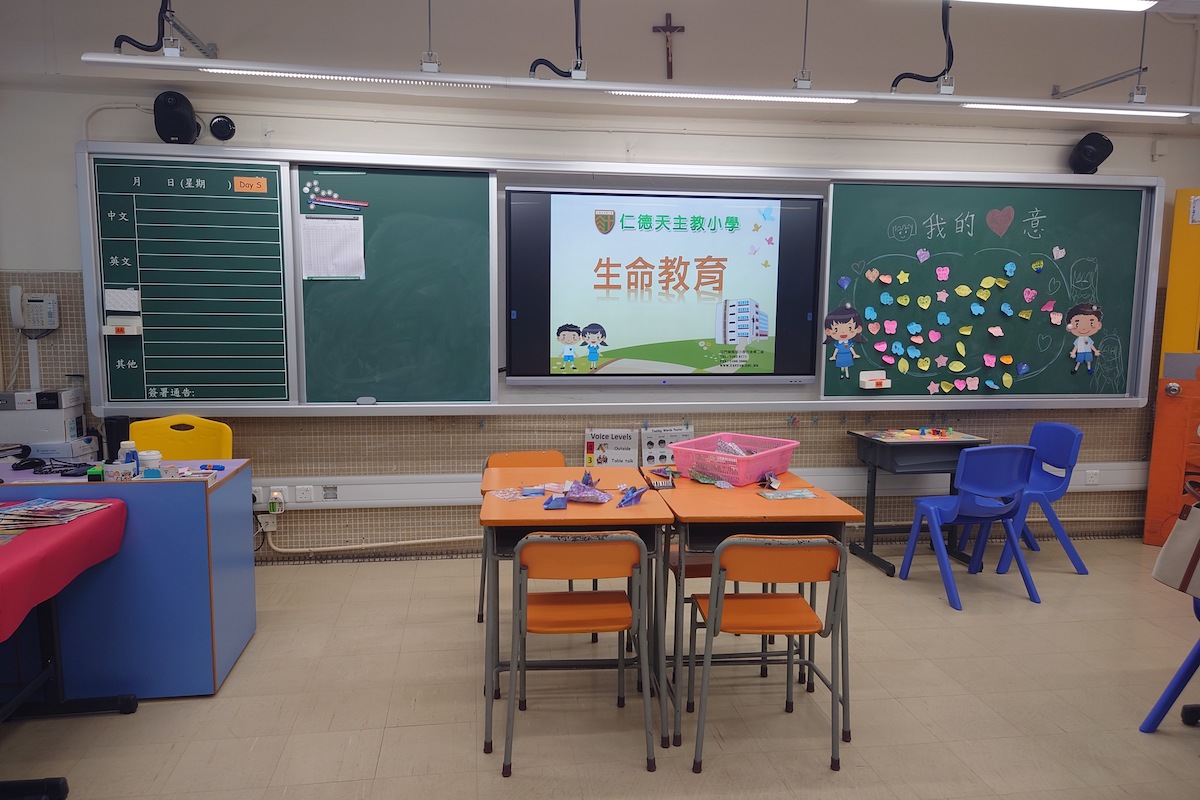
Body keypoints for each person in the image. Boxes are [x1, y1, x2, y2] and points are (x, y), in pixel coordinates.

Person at [822, 303, 865, 379]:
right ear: (828, 331)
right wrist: (833, 356)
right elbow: (836, 349)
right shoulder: (838, 343)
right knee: (842, 366)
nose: (843, 332)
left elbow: (850, 348)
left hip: (847, 355)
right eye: (836, 329)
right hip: (840, 356)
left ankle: (847, 374)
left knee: (846, 366)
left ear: (858, 329)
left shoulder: (848, 342)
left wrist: (854, 354)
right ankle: (842, 375)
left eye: (849, 328)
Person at [1066, 302, 1102, 375]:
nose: (1084, 328)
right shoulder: (1079, 339)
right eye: (1077, 324)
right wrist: (1073, 352)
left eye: (1091, 323)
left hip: (1088, 351)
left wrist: (1095, 351)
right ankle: (1075, 369)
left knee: (1088, 361)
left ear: (1098, 325)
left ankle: (1089, 369)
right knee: (1079, 361)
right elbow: (1076, 346)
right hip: (1080, 352)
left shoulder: (1088, 338)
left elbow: (1091, 345)